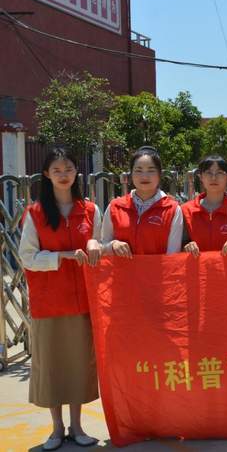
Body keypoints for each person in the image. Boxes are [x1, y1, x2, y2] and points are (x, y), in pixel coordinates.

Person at [18, 147, 101, 450]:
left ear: (77, 172)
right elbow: (27, 257)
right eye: (57, 170)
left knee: (78, 365)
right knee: (52, 366)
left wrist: (95, 243)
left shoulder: (90, 210)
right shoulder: (35, 213)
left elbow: (99, 244)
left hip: (82, 301)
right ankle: (56, 428)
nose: (63, 175)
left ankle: (77, 426)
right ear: (46, 174)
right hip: (49, 302)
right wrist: (62, 256)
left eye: (68, 169)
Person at [101, 146, 183, 256]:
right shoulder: (115, 207)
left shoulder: (172, 210)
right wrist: (112, 245)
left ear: (159, 175)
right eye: (138, 170)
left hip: (156, 268)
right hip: (121, 268)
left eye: (151, 170)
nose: (144, 176)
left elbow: (172, 255)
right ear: (131, 174)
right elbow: (102, 245)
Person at [182, 155, 227, 256]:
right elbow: (177, 248)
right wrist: (186, 247)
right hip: (197, 266)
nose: (213, 178)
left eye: (219, 173)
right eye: (208, 173)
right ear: (201, 177)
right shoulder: (186, 211)